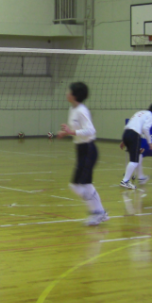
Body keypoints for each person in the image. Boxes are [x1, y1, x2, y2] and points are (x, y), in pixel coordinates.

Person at [57, 82, 108, 226]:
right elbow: (76, 129)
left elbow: (91, 130)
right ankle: (99, 212)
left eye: (69, 91)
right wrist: (66, 133)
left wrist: (71, 132)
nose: (67, 93)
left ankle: (98, 212)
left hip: (88, 149)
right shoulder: (72, 109)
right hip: (80, 149)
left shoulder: (81, 110)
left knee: (78, 185)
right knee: (84, 185)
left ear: (74, 95)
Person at [119, 104, 152, 189]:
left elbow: (129, 125)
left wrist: (124, 140)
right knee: (134, 160)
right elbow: (145, 128)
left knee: (138, 155)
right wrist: (150, 142)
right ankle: (125, 181)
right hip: (134, 135)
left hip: (126, 133)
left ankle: (141, 177)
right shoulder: (151, 116)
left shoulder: (140, 112)